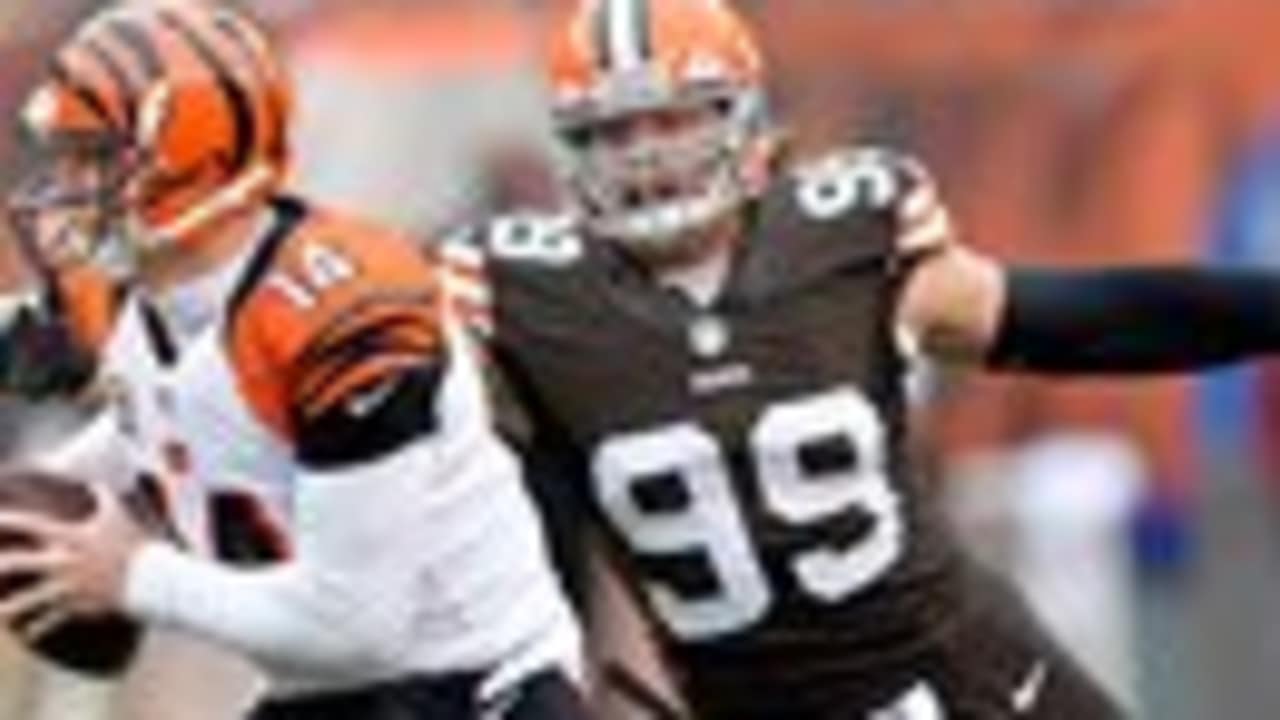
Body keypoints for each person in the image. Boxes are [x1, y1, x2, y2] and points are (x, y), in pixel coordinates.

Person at [445, 0, 1280, 717]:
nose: (647, 154)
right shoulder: (525, 296)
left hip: (962, 680)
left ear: (741, 116)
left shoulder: (844, 239)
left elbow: (1077, 323)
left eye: (675, 117)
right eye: (614, 129)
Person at [0, 3, 589, 719]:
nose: (67, 185)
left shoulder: (342, 313)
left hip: (475, 689)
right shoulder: (153, 298)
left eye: (94, 156)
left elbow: (358, 626)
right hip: (333, 694)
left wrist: (132, 579)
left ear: (200, 162)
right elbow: (165, 424)